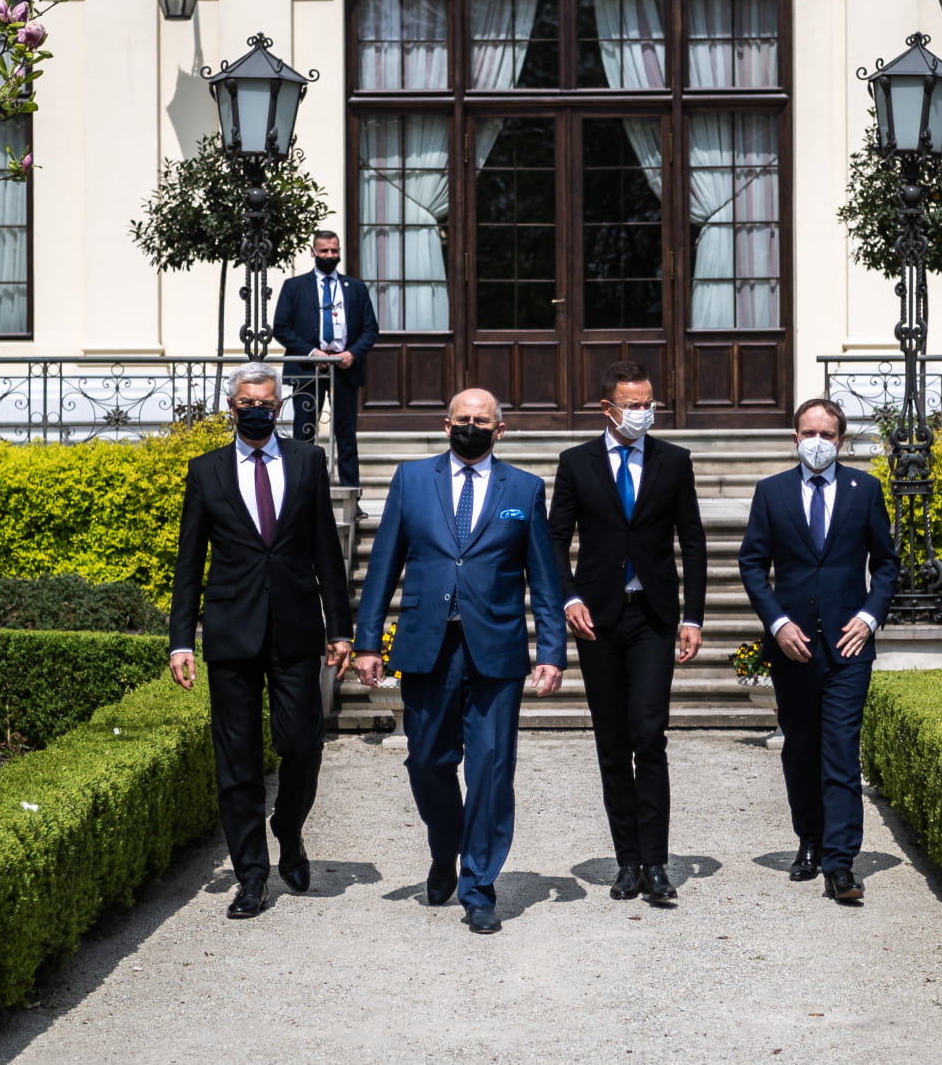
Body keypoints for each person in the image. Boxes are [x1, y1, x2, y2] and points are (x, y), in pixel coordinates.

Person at [352, 388, 565, 935]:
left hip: (496, 650)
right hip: (428, 645)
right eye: (463, 419)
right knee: (427, 762)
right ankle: (445, 847)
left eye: (482, 421)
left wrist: (552, 651)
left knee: (491, 769)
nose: (472, 427)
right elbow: (383, 565)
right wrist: (368, 642)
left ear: (500, 430)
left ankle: (478, 886)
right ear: (446, 425)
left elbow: (544, 579)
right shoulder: (410, 480)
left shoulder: (524, 488)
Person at [167, 360, 353, 920]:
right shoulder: (206, 471)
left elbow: (326, 549)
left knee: (303, 743)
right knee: (237, 758)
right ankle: (251, 875)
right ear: (232, 408)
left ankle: (288, 829)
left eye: (265, 405)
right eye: (246, 404)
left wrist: (340, 628)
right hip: (232, 632)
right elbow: (189, 562)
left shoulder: (307, 461)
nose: (256, 412)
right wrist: (181, 640)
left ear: (279, 407)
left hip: (296, 627)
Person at [547, 360, 706, 906]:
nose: (643, 413)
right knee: (612, 741)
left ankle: (656, 863)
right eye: (633, 405)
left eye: (648, 404)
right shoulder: (576, 463)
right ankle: (627, 861)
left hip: (653, 617)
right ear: (607, 408)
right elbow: (555, 539)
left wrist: (692, 616)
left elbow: (693, 541)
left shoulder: (673, 461)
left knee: (649, 734)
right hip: (598, 619)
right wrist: (568, 598)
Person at [737, 397, 897, 904]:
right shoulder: (772, 492)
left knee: (842, 753)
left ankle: (841, 864)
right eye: (809, 433)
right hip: (794, 647)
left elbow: (886, 564)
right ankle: (809, 840)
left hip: (849, 646)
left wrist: (869, 617)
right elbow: (751, 563)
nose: (818, 442)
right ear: (795, 438)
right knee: (801, 748)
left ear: (841, 441)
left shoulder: (865, 490)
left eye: (827, 435)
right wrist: (778, 623)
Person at [273, 231, 379, 487]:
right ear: (313, 252)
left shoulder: (355, 288)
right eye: (324, 251)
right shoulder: (294, 287)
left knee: (346, 435)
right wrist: (312, 353)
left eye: (334, 250)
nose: (330, 255)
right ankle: (302, 492)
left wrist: (352, 353)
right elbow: (281, 328)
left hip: (345, 370)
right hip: (307, 371)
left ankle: (351, 493)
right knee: (304, 434)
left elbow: (370, 329)